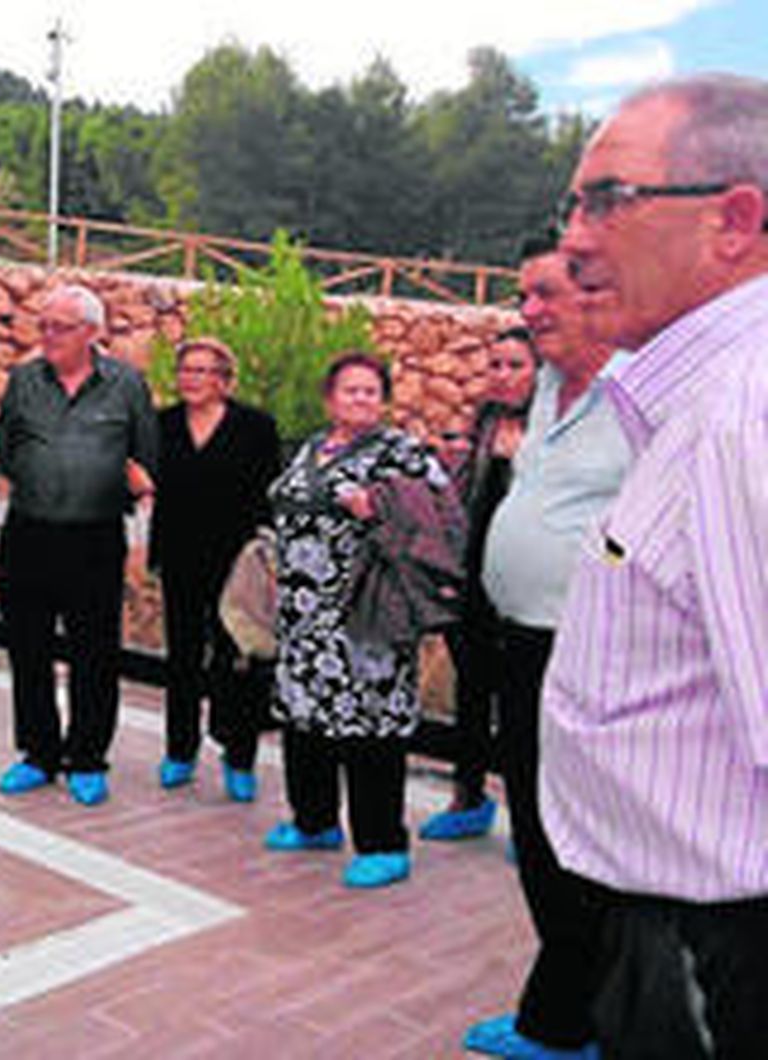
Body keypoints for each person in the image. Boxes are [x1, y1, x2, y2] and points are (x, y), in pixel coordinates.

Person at [541, 74, 768, 1058]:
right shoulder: (709, 402)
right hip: (679, 931)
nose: (573, 241)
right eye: (571, 206)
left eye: (609, 199)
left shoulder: (743, 417)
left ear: (735, 221)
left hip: (722, 954)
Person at [460, 241, 630, 1058]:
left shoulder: (642, 392)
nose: (528, 311)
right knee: (534, 821)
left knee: (576, 834)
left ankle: (564, 1019)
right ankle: (569, 1002)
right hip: (524, 642)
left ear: (600, 294)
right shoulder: (553, 387)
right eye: (522, 295)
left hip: (592, 649)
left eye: (546, 293)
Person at [264, 351, 453, 890]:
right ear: (330, 398)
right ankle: (314, 821)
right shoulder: (313, 446)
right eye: (350, 389)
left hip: (365, 613)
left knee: (370, 726)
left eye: (371, 390)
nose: (361, 399)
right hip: (303, 615)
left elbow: (442, 513)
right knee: (306, 719)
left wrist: (380, 507)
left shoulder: (401, 452)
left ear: (384, 400)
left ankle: (383, 843)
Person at [0, 283, 158, 807]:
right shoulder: (24, 380)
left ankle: (87, 759)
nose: (47, 336)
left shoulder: (126, 385)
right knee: (28, 649)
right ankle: (38, 754)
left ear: (91, 331)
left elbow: (146, 456)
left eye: (59, 327)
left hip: (95, 538)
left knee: (94, 654)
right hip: (29, 532)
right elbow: (4, 447)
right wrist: (45, 480)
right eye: (42, 325)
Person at [148, 337, 280, 800]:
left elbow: (270, 498)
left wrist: (269, 560)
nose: (193, 379)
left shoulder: (255, 427)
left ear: (224, 379)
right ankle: (179, 750)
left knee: (237, 661)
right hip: (180, 558)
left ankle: (238, 756)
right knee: (182, 659)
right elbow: (146, 480)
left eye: (204, 370)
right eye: (186, 369)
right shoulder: (162, 424)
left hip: (237, 565)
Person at [419, 326, 537, 840]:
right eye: (496, 365)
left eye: (516, 365)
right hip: (473, 580)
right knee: (471, 694)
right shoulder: (484, 423)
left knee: (523, 708)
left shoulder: (552, 427)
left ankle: (530, 820)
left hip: (526, 586)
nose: (503, 375)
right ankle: (468, 798)